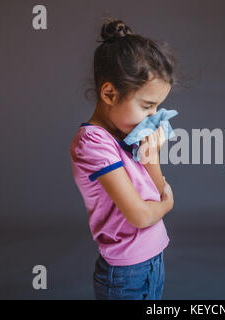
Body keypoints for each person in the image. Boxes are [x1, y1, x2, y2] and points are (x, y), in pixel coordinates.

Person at [69, 17, 177, 300]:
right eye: (147, 106)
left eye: (158, 106)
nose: (154, 116)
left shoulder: (127, 134)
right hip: (127, 273)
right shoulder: (93, 144)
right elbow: (141, 214)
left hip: (153, 260)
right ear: (109, 93)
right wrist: (168, 204)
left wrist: (152, 156)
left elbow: (153, 191)